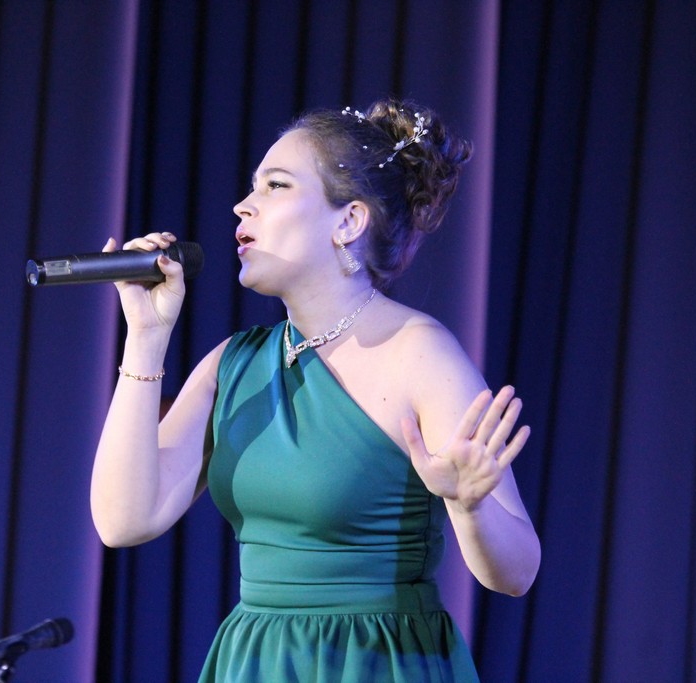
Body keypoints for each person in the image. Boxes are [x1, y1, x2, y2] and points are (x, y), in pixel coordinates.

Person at [91, 98, 541, 682]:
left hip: (376, 661)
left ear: (349, 221)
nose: (243, 205)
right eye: (253, 186)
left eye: (276, 185)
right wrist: (146, 337)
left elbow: (516, 573)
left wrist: (470, 504)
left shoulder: (419, 353)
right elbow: (123, 521)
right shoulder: (234, 362)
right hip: (257, 660)